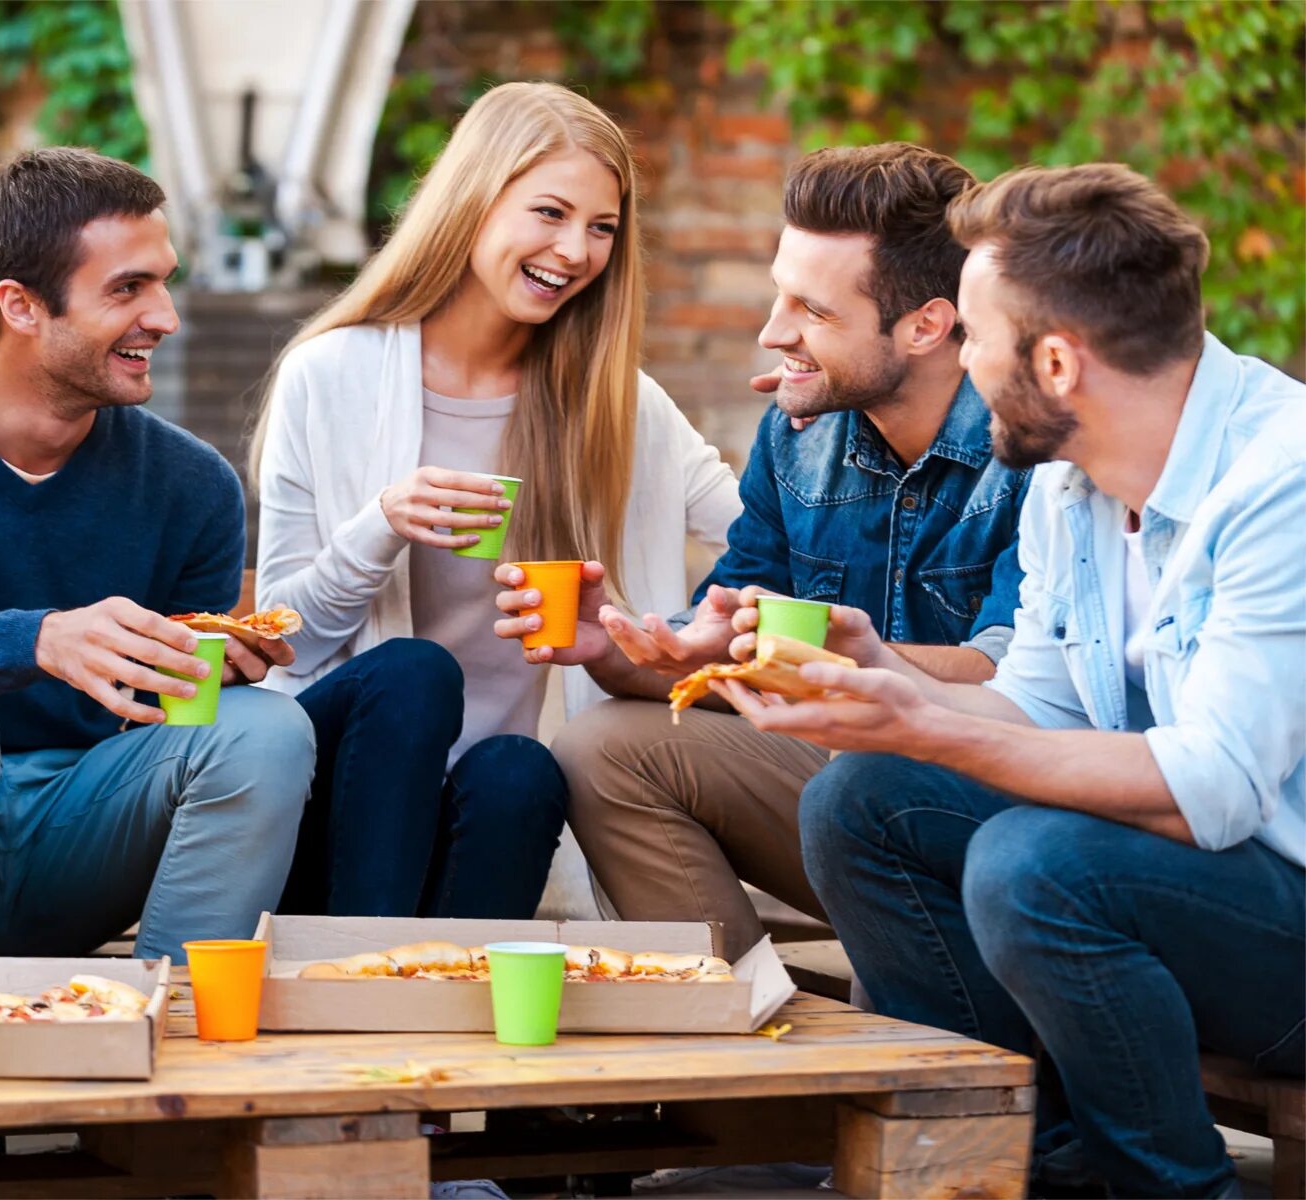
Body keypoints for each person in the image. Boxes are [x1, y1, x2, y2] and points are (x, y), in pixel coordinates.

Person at [719, 164, 1306, 1198]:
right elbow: (1034, 702)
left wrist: (929, 727)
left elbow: (1214, 789)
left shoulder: (1280, 483)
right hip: (1200, 894)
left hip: (1287, 917)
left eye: (976, 339)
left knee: (1036, 865)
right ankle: (1009, 1159)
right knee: (860, 800)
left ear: (1056, 360)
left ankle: (1166, 1185)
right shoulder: (1070, 474)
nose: (966, 365)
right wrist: (880, 671)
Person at [498, 143, 1030, 960]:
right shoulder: (797, 436)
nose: (773, 332)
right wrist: (617, 649)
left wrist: (830, 652)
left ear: (927, 324)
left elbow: (1027, 680)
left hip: (1006, 809)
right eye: (779, 296)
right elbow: (723, 645)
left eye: (813, 312)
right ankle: (733, 1045)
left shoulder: (1030, 450)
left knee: (864, 786)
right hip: (845, 784)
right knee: (602, 746)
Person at [0, 148, 315, 962]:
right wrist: (41, 640)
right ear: (20, 304)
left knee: (266, 726)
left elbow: (158, 722)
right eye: (128, 289)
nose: (166, 317)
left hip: (80, 821)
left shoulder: (192, 485)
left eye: (163, 282)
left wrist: (202, 665)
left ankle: (175, 1034)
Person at [252, 82, 741, 919]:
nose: (576, 251)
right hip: (338, 803)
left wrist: (817, 426)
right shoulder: (330, 375)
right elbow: (283, 639)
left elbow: (760, 533)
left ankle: (441, 994)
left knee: (525, 767)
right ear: (474, 201)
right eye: (549, 213)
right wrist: (380, 527)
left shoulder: (615, 404)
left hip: (489, 801)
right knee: (412, 673)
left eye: (601, 228)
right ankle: (362, 963)